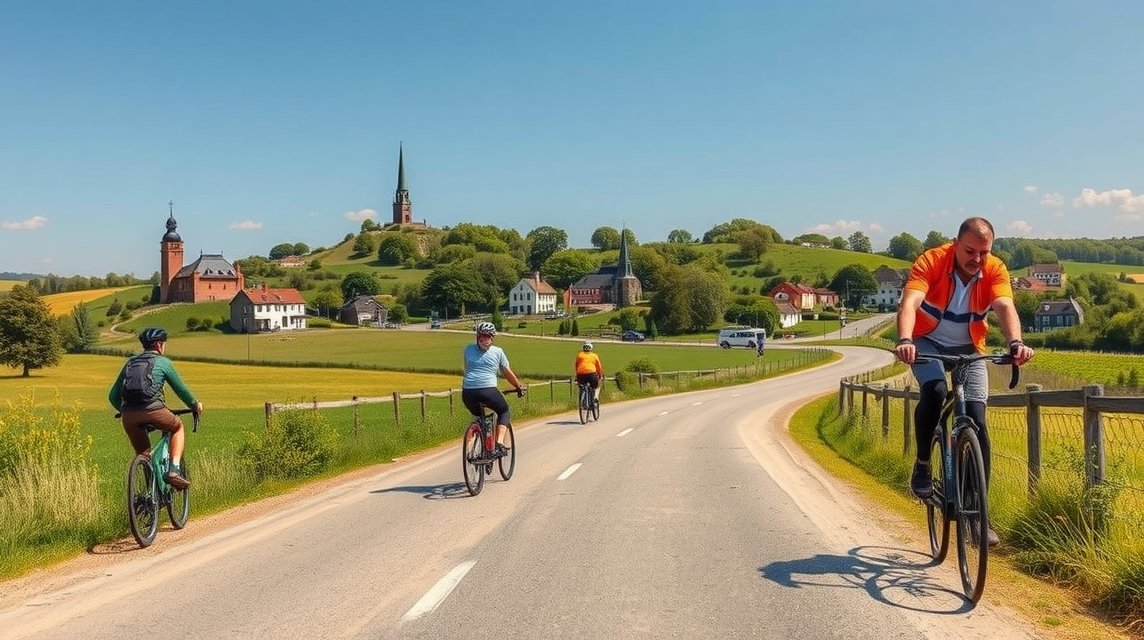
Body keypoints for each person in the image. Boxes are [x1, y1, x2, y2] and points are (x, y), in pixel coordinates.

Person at [894, 217, 1034, 546]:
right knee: (935, 391)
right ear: (955, 244)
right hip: (926, 342)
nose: (977, 259)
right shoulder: (932, 261)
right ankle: (923, 464)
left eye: (984, 252)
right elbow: (910, 302)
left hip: (969, 347)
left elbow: (1005, 306)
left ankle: (978, 515)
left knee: (977, 420)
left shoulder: (995, 269)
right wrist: (905, 340)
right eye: (970, 251)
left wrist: (1016, 343)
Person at [108, 327, 203, 489]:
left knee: (144, 455)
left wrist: (125, 411)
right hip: (155, 411)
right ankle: (174, 471)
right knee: (178, 427)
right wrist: (195, 405)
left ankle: (149, 495)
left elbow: (113, 396)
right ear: (159, 345)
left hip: (129, 417)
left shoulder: (130, 363)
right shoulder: (163, 362)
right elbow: (181, 390)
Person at [461, 322, 523, 459]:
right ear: (492, 337)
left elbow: (466, 369)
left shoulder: (468, 349)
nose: (484, 339)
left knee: (478, 417)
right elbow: (507, 372)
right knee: (504, 410)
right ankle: (499, 442)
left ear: (477, 336)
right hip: (488, 390)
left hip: (468, 392)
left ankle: (469, 450)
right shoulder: (498, 351)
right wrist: (518, 386)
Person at [574, 341, 604, 407]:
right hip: (592, 374)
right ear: (591, 348)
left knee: (581, 386)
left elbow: (576, 365)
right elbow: (599, 367)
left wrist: (577, 374)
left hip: (580, 375)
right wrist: (600, 376)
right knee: (597, 385)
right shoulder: (594, 356)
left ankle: (583, 398)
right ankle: (595, 397)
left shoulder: (579, 355)